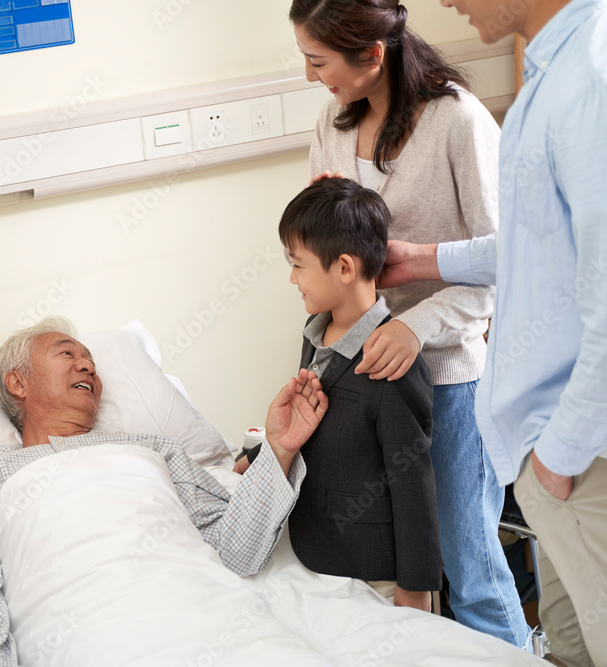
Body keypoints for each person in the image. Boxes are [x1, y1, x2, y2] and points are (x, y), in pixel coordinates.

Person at [286, 0, 529, 646]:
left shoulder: (456, 122)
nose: (312, 76)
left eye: (319, 61)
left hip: (448, 377)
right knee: (400, 565)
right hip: (364, 384)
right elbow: (320, 257)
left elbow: (506, 263)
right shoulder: (331, 128)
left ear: (372, 54)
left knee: (466, 565)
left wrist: (416, 326)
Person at [373, 1, 607, 663]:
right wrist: (426, 259)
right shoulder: (552, 74)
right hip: (551, 457)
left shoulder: (590, 78)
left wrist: (559, 457)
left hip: (581, 457)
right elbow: (538, 245)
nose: (445, 1)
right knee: (567, 650)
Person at [0, 316, 328, 666]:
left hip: (214, 616)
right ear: (18, 382)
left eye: (90, 358)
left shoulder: (152, 448)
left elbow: (238, 551)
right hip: (89, 635)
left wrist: (279, 448)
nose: (87, 364)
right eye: (66, 353)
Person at [241, 178, 441, 610]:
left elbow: (414, 485)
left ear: (345, 268)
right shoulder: (317, 335)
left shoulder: (392, 364)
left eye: (298, 265)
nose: (292, 278)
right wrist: (258, 456)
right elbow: (309, 424)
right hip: (318, 555)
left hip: (376, 575)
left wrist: (416, 586)